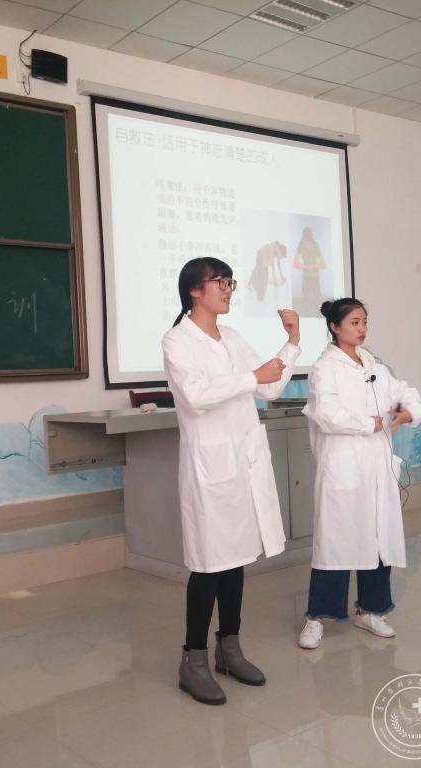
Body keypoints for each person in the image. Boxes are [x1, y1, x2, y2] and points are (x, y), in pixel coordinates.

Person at [162, 257, 301, 705]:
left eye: (229, 282)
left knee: (236, 558)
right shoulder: (178, 340)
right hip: (210, 469)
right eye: (218, 282)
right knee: (209, 563)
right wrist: (251, 377)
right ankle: (193, 660)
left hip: (242, 466)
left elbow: (270, 387)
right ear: (194, 290)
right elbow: (196, 396)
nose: (227, 289)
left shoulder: (234, 337)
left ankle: (229, 648)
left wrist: (292, 342)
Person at [297, 298, 421, 650]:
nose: (362, 328)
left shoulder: (374, 365)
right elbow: (328, 414)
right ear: (335, 327)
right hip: (342, 468)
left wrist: (410, 411)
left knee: (378, 539)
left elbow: (404, 392)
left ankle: (371, 610)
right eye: (354, 322)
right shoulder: (325, 368)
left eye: (364, 321)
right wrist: (371, 424)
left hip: (376, 468)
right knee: (335, 542)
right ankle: (317, 617)